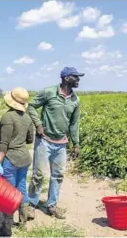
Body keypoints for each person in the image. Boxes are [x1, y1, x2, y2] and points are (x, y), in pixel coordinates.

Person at [27, 67, 83, 220]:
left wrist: (76, 143)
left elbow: (74, 124)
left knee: (58, 175)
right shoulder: (49, 92)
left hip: (61, 144)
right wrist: (38, 124)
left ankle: (52, 205)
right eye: (75, 77)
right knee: (38, 175)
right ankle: (31, 205)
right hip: (44, 140)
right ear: (65, 78)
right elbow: (31, 106)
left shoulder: (75, 100)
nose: (78, 80)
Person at [0, 87, 34, 237]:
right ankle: (23, 222)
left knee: (7, 194)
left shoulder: (8, 117)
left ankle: (6, 228)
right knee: (21, 189)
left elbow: (4, 144)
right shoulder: (27, 117)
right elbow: (30, 139)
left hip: (11, 159)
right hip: (25, 158)